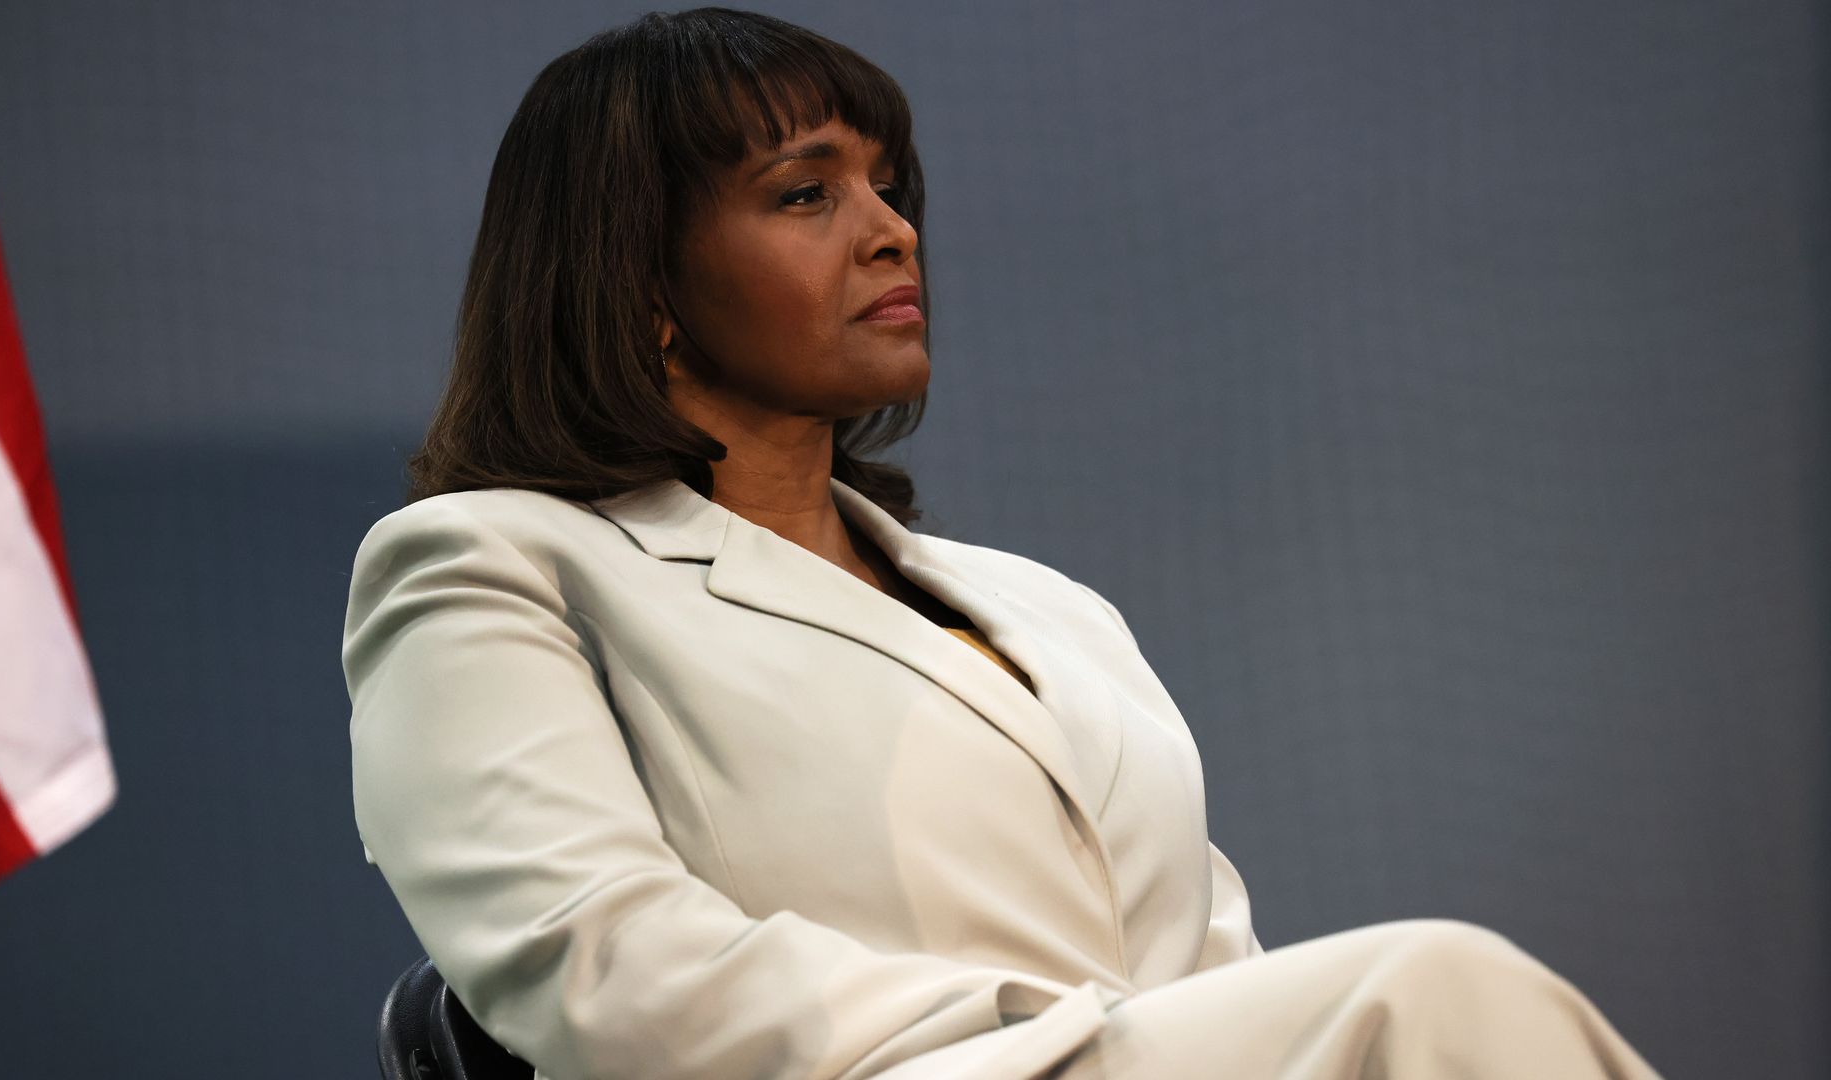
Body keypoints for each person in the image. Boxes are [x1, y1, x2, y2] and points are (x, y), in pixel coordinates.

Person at [341, 8, 1664, 1079]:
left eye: (888, 186)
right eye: (806, 194)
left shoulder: (1052, 610)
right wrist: (1050, 1037)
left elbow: (1219, 973)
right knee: (1435, 993)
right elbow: (597, 962)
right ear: (639, 282)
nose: (890, 229)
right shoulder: (488, 567)